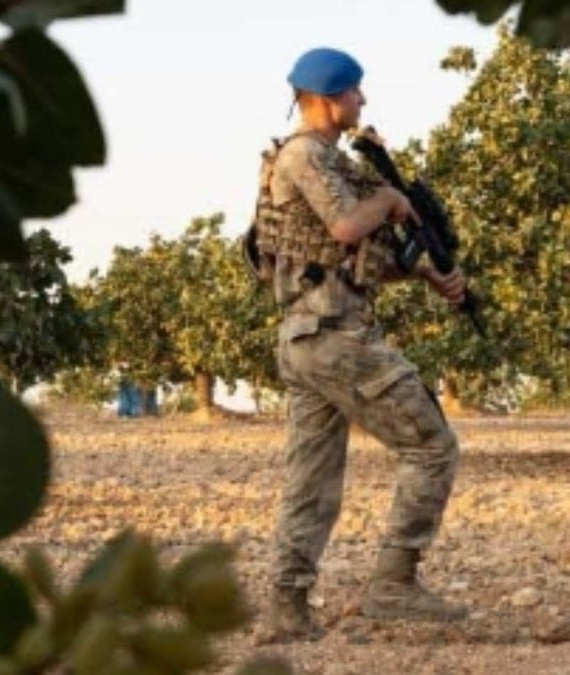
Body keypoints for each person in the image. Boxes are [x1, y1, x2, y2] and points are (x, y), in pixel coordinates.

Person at [249, 47, 470, 643]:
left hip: (310, 335)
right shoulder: (303, 155)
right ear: (328, 98)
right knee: (432, 446)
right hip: (333, 337)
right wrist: (391, 202)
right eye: (354, 92)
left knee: (311, 478)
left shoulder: (332, 161)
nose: (362, 101)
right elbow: (348, 226)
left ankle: (287, 608)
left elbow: (346, 258)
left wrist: (427, 274)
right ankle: (393, 584)